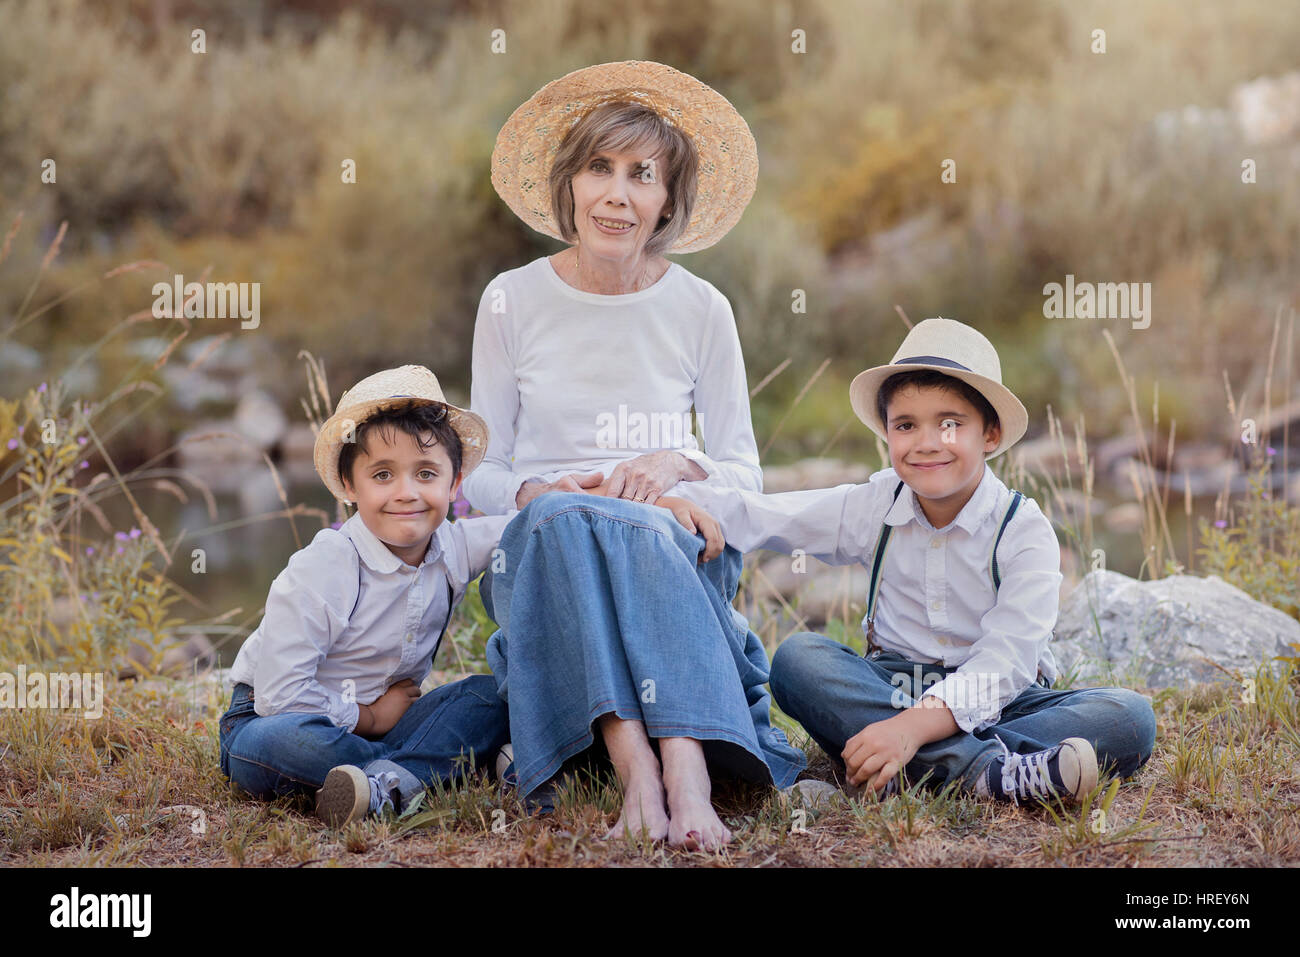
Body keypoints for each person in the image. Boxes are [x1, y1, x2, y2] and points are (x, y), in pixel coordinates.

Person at [464, 61, 804, 850]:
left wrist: (676, 467)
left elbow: (743, 474)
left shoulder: (701, 308)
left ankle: (681, 770)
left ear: (665, 201)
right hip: (546, 554)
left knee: (644, 529)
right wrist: (539, 489)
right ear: (570, 185)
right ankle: (640, 769)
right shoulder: (510, 298)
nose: (617, 194)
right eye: (599, 169)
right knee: (559, 521)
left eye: (641, 176)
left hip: (670, 538)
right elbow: (477, 470)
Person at [668, 318, 1157, 805]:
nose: (925, 442)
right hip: (893, 687)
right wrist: (674, 497)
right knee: (799, 662)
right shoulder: (875, 505)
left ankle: (923, 762)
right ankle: (990, 774)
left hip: (1005, 700)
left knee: (1128, 717)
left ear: (989, 434)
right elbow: (769, 515)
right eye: (905, 425)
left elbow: (1007, 663)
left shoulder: (1022, 529)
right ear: (887, 434)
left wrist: (910, 729)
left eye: (949, 423)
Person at [218, 365, 513, 826]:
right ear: (351, 487)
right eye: (382, 475)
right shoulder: (329, 564)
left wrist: (634, 499)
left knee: (486, 696)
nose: (406, 493)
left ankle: (379, 782)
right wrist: (369, 717)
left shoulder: (454, 548)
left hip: (392, 721)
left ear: (454, 485)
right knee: (284, 742)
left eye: (426, 473)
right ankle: (410, 770)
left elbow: (529, 525)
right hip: (273, 717)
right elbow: (279, 697)